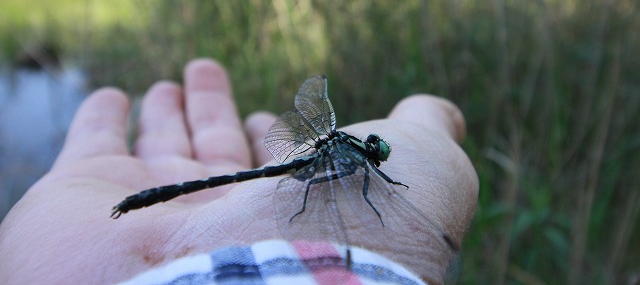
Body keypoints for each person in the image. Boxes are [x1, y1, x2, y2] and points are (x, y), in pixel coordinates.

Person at [0, 59, 478, 285]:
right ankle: (141, 200)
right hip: (302, 165)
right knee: (340, 190)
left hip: (306, 159)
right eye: (375, 151)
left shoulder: (339, 143)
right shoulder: (354, 156)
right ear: (366, 148)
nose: (375, 155)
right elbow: (368, 191)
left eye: (374, 150)